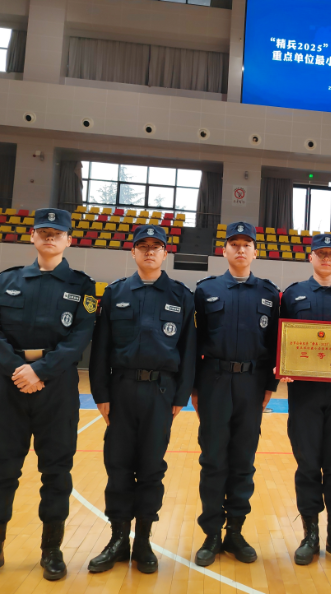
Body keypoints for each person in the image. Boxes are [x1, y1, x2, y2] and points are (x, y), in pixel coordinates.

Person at [0, 208, 97, 585]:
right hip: (11, 385)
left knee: (56, 470)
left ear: (69, 240)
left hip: (57, 388)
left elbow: (80, 337)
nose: (50, 238)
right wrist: (17, 369)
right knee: (0, 468)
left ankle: (51, 550)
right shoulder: (7, 280)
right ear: (32, 236)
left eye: (57, 233)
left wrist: (40, 371)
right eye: (43, 232)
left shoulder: (82, 285)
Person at [87, 224, 195, 575]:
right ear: (132, 252)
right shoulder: (115, 292)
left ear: (165, 253)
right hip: (120, 391)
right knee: (117, 465)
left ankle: (144, 540)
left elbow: (188, 350)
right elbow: (100, 347)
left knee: (151, 467)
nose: (149, 251)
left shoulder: (181, 295)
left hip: (161, 392)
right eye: (143, 246)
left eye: (156, 246)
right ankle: (118, 539)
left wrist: (181, 395)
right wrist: (100, 393)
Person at [192, 221, 279, 567]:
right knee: (213, 459)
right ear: (224, 250)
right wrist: (195, 387)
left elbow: (275, 343)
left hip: (252, 384)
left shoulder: (269, 293)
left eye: (247, 245)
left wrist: (270, 385)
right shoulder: (205, 290)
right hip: (214, 381)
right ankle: (212, 533)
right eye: (234, 244)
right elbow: (194, 342)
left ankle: (236, 532)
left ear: (255, 252)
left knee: (243, 460)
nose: (241, 249)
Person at [279, 234, 331, 568]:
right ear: (311, 258)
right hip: (304, 395)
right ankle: (310, 535)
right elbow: (280, 337)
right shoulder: (293, 294)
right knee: (307, 466)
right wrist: (283, 365)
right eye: (320, 253)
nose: (326, 258)